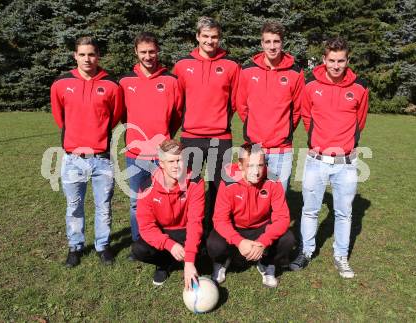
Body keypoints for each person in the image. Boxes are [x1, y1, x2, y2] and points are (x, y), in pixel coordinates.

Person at [289, 37, 369, 278]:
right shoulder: (311, 84)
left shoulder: (359, 87)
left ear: (347, 60)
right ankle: (306, 250)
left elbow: (360, 120)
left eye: (341, 61)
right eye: (331, 60)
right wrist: (314, 142)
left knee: (344, 213)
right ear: (324, 60)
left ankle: (341, 256)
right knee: (310, 210)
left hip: (346, 163)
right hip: (316, 160)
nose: (336, 65)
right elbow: (305, 114)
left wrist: (350, 144)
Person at [50, 36, 123, 267]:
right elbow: (59, 117)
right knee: (74, 207)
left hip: (101, 159)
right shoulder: (61, 84)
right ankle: (75, 246)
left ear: (98, 56)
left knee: (103, 206)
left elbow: (114, 117)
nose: (87, 59)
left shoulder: (112, 85)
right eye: (82, 54)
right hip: (73, 158)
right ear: (75, 56)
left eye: (91, 54)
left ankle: (103, 246)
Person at [119, 32, 183, 258]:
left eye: (152, 51)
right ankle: (140, 246)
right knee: (137, 203)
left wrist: (164, 139)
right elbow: (122, 115)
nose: (148, 56)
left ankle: (164, 245)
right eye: (143, 52)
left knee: (164, 202)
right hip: (136, 155)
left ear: (158, 51)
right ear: (136, 52)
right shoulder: (125, 81)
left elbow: (177, 115)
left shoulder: (171, 80)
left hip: (162, 156)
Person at [172, 16, 240, 230]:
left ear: (219, 38)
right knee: (188, 186)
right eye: (206, 36)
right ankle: (190, 230)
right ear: (197, 37)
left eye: (214, 37)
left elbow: (236, 102)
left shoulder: (230, 66)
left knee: (221, 188)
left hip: (220, 138)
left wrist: (220, 121)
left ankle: (217, 232)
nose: (210, 41)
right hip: (191, 136)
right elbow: (177, 101)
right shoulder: (183, 65)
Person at [207, 143, 295, 288]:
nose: (256, 172)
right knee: (213, 245)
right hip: (236, 227)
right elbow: (220, 219)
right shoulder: (228, 182)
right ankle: (223, 260)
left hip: (261, 227)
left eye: (260, 165)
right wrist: (239, 241)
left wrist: (263, 242)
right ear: (240, 165)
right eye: (250, 166)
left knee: (288, 239)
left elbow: (282, 218)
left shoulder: (273, 180)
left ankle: (267, 263)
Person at [236, 20, 304, 192]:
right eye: (268, 41)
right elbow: (242, 106)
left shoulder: (295, 73)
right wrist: (255, 127)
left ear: (282, 43)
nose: (272, 46)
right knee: (253, 197)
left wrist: (283, 131)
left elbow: (297, 110)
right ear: (262, 43)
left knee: (279, 199)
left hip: (281, 149)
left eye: (276, 41)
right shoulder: (247, 71)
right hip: (254, 147)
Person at [133, 140, 205, 288]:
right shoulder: (147, 186)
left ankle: (188, 261)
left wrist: (190, 261)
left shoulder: (196, 182)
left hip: (186, 230)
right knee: (139, 250)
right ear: (161, 163)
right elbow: (146, 227)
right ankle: (163, 264)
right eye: (170, 161)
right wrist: (169, 244)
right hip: (163, 232)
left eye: (179, 160)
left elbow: (195, 221)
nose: (176, 165)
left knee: (211, 247)